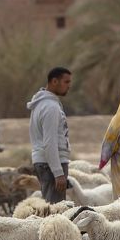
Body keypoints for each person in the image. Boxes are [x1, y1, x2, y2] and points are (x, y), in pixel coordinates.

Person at [27, 67, 72, 203]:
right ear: (54, 81)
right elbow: (49, 142)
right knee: (55, 209)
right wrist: (58, 173)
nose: (69, 86)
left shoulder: (41, 104)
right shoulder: (50, 107)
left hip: (45, 162)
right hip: (51, 164)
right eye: (66, 82)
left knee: (50, 206)